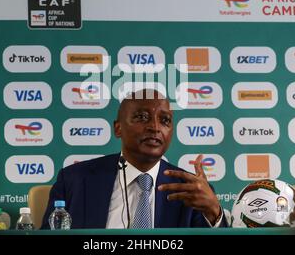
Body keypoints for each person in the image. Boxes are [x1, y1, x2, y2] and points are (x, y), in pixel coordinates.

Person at [41, 89, 227, 229]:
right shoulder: (74, 179)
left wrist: (214, 213)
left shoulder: (191, 190)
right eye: (142, 117)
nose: (154, 127)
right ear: (118, 128)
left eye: (165, 121)